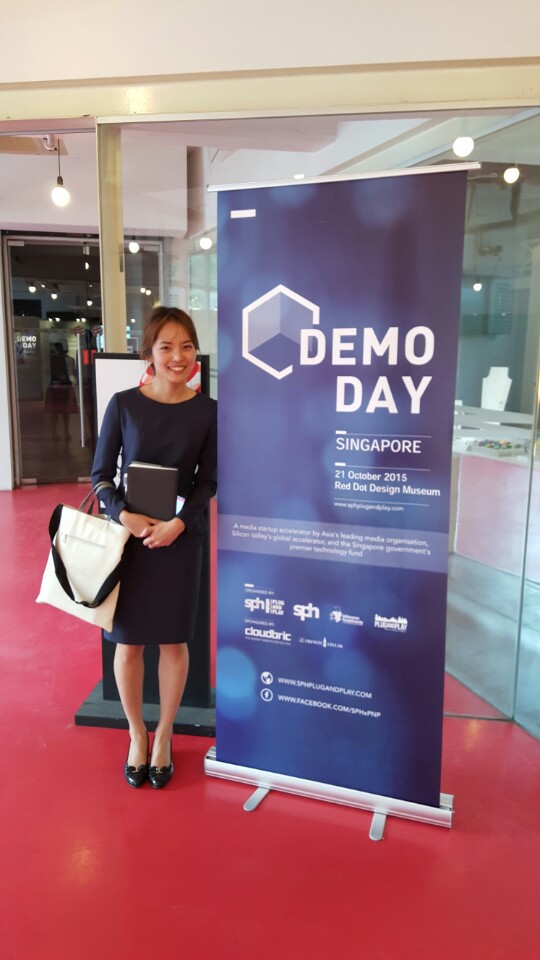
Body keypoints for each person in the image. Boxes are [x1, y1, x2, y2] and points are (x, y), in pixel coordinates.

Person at [91, 307, 217, 788]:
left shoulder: (208, 410)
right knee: (127, 644)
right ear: (150, 353)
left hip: (180, 541)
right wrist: (124, 514)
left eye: (186, 346)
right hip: (131, 541)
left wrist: (180, 525)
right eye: (166, 346)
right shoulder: (125, 405)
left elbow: (209, 481)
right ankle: (136, 734)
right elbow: (101, 476)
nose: (177, 356)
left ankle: (164, 734)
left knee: (173, 641)